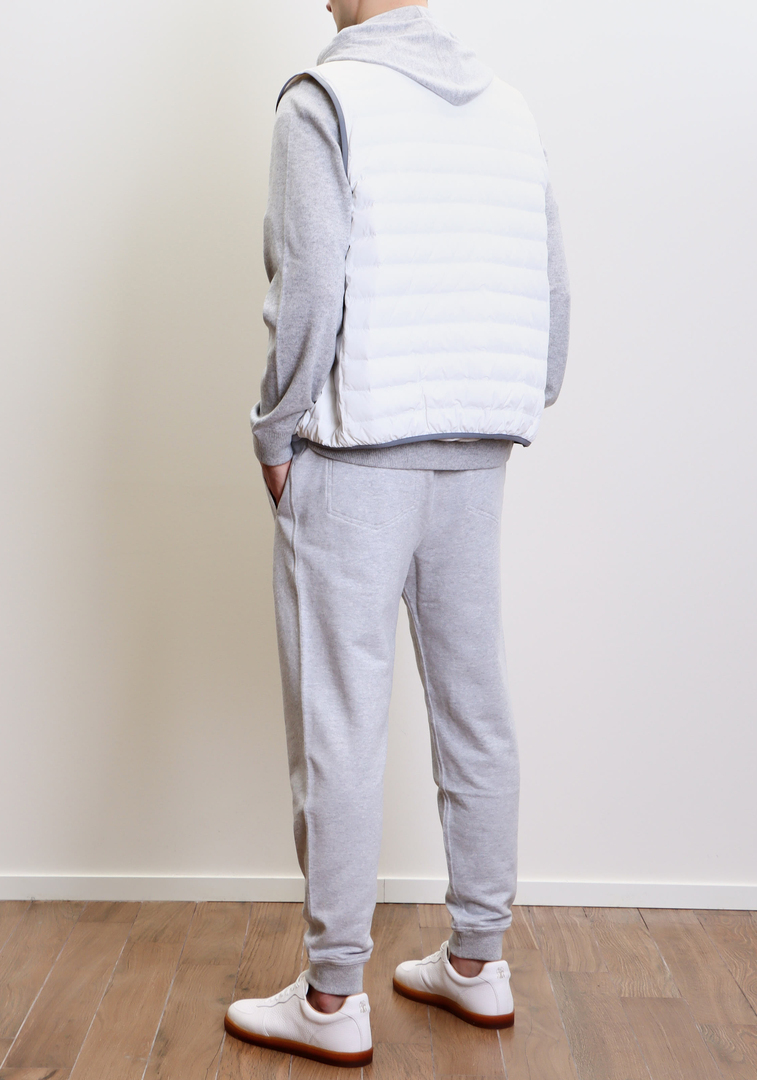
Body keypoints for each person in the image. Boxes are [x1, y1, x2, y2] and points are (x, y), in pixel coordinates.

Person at [224, 0, 570, 1067]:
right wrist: (508, 400)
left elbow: (309, 284)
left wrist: (274, 426)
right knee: (475, 703)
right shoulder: (508, 106)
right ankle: (477, 960)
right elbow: (552, 292)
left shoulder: (323, 100)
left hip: (353, 449)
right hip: (477, 439)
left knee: (340, 718)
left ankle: (332, 997)